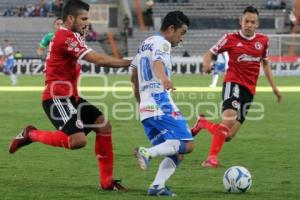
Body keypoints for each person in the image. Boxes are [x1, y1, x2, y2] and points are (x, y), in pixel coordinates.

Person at [9, 0, 131, 191]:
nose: (86, 22)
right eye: (83, 18)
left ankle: (106, 182)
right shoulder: (66, 37)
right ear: (71, 18)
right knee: (78, 141)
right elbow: (96, 59)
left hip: (71, 97)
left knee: (103, 125)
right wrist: (127, 63)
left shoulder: (73, 36)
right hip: (55, 97)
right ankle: (30, 134)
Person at [191, 6, 282, 168]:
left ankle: (202, 123)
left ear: (257, 24)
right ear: (241, 22)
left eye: (252, 22)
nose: (248, 24)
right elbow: (210, 52)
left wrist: (274, 88)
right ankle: (211, 159)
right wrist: (206, 64)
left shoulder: (263, 41)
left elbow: (266, 65)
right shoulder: (230, 38)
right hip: (232, 83)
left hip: (249, 91)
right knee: (228, 120)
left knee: (228, 135)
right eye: (246, 21)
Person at [131, 11, 194, 196]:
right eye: (181, 33)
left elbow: (134, 77)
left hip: (146, 108)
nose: (181, 38)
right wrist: (164, 78)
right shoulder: (162, 43)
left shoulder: (143, 44)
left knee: (176, 152)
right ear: (171, 28)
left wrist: (141, 103)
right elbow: (158, 63)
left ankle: (157, 186)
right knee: (188, 145)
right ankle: (147, 152)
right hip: (160, 102)